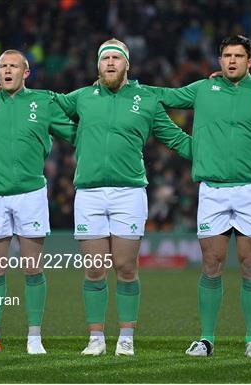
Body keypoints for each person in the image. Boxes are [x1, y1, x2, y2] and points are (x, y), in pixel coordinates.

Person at [149, 35, 251, 358]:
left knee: (250, 266)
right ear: (219, 60)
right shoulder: (202, 89)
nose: (231, 60)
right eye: (226, 55)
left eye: (238, 56)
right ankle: (206, 340)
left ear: (250, 61)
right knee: (211, 264)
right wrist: (132, 89)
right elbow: (164, 96)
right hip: (213, 190)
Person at [55, 38, 192, 356]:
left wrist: (210, 156)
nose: (111, 63)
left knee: (126, 267)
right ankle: (96, 339)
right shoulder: (82, 97)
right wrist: (6, 93)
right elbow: (46, 105)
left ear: (127, 64)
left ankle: (126, 337)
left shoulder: (146, 99)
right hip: (88, 193)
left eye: (117, 57)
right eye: (105, 59)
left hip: (128, 193)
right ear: (98, 65)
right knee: (94, 269)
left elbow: (175, 137)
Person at [0, 49, 77, 355]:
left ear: (26, 73)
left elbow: (75, 134)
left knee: (32, 268)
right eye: (2, 66)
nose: (7, 70)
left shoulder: (42, 102)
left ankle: (34, 337)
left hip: (30, 193)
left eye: (13, 66)